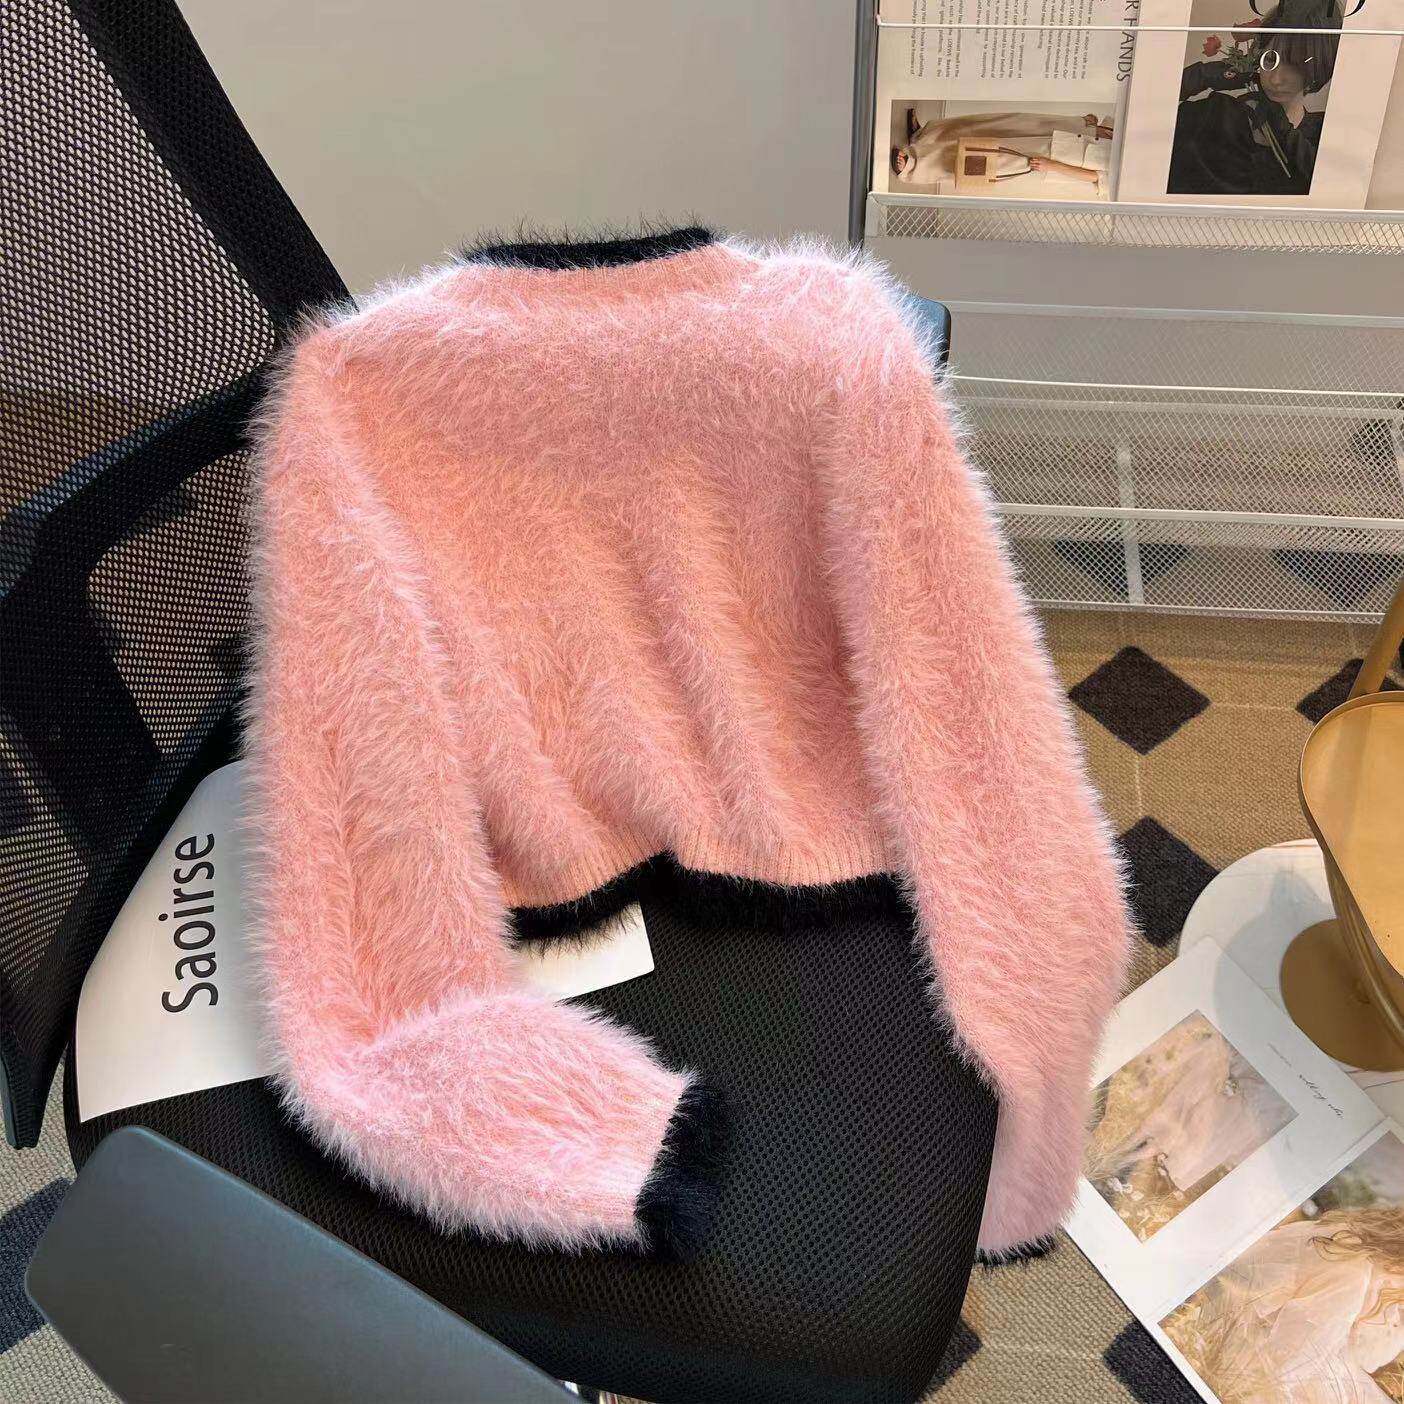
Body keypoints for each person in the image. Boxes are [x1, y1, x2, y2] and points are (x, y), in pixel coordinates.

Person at [1167, 1206, 1404, 1400]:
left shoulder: (1350, 1239)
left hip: (1219, 1319)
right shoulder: (1355, 1273)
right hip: (1236, 1349)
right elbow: (1289, 1364)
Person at [1168, 0, 1341, 196]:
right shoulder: (1216, 112)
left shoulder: (1325, 134)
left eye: (1295, 65)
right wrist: (1202, 75)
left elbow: (1338, 195)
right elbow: (1145, 113)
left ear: (1321, 65)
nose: (1275, 79)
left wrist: (1285, 132)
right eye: (1270, 59)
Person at [891, 109, 1115, 198]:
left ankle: (915, 165)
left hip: (1056, 156)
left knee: (984, 157)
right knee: (996, 124)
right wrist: (1086, 124)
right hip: (1073, 130)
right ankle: (926, 136)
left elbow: (1100, 178)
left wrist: (1052, 166)